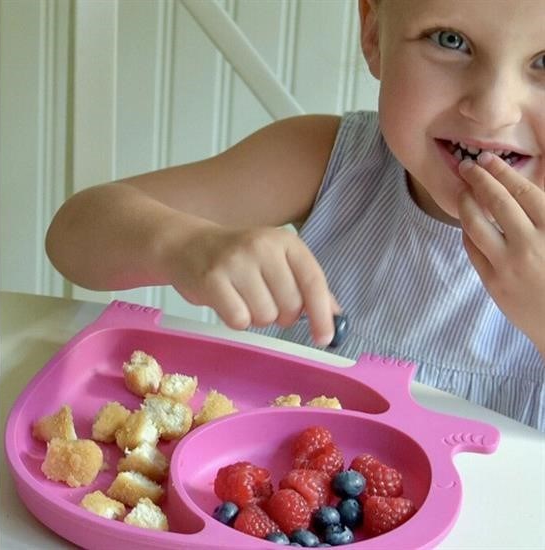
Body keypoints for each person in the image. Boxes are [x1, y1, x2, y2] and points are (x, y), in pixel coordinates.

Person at [45, 0, 545, 431]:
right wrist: (182, 245)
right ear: (373, 32)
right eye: (450, 40)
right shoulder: (330, 161)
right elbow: (74, 232)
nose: (493, 109)